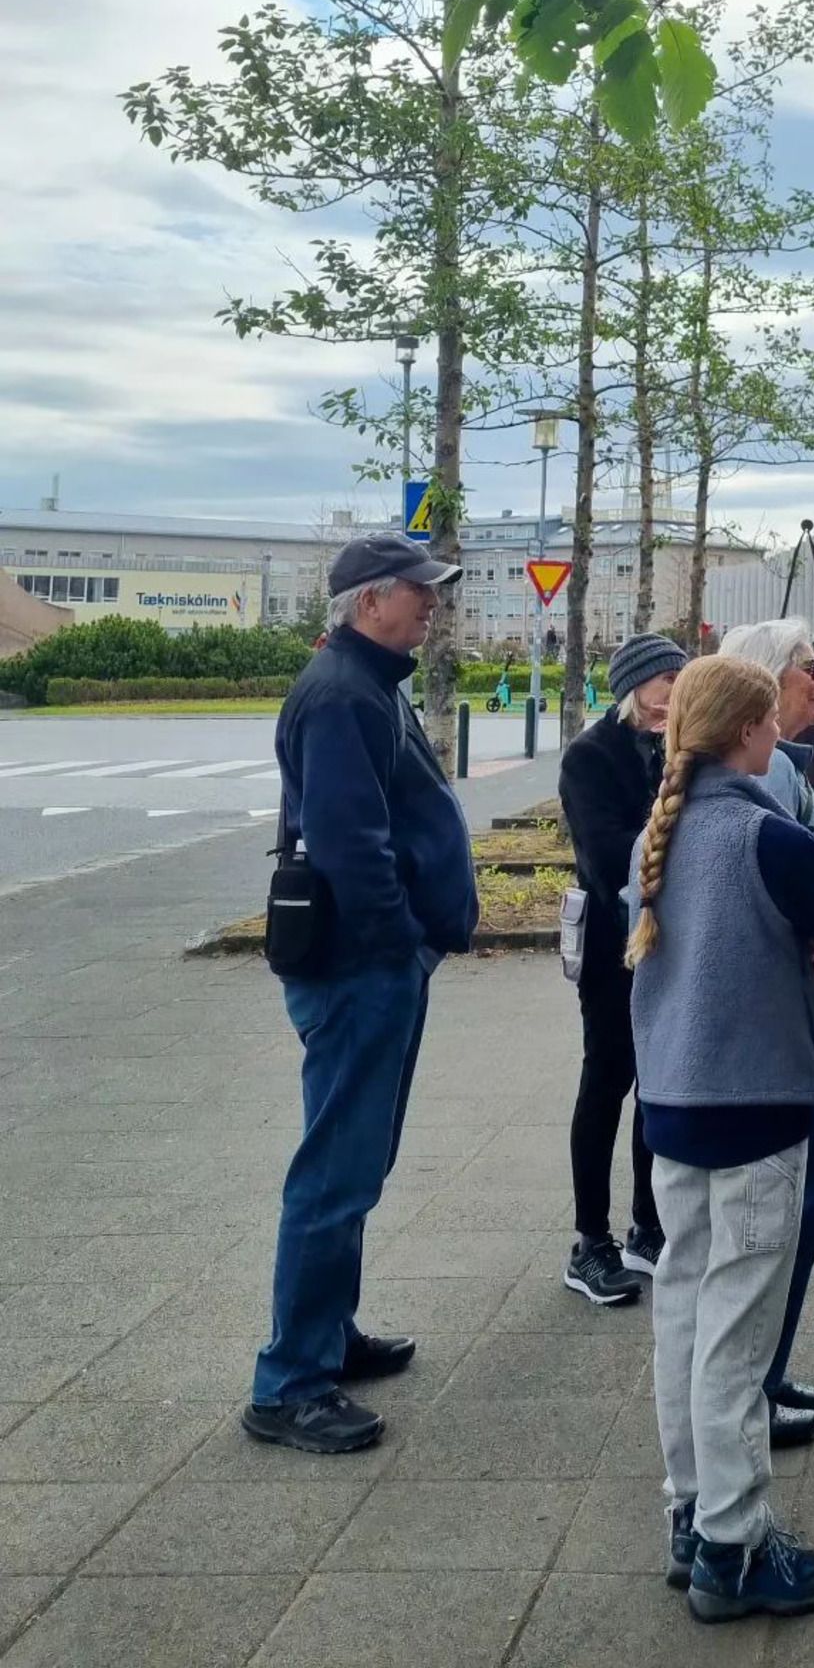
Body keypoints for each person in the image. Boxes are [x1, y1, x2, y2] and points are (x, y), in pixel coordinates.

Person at [627, 655, 814, 1623]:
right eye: (768, 721)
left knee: (684, 1310)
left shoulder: (659, 833)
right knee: (738, 1329)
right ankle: (733, 1545)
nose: (779, 736)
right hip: (759, 1102)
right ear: (743, 732)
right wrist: (811, 945)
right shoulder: (768, 835)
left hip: (673, 1101)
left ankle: (690, 1513)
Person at [242, 533, 477, 1456]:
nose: (432, 603)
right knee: (336, 1173)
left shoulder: (366, 682)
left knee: (355, 1163)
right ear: (370, 600)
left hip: (370, 965)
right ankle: (290, 1383)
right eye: (419, 590)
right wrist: (402, 944)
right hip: (359, 969)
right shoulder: (343, 694)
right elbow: (350, 845)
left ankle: (327, 1337)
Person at [718, 619, 814, 1449]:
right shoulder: (764, 775)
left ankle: (766, 1370)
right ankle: (753, 1385)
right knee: (796, 1209)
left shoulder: (783, 767)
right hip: (788, 1031)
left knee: (809, 1206)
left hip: (806, 1022)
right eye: (811, 667)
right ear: (767, 680)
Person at [556, 630, 685, 1310]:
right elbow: (606, 857)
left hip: (666, 938)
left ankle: (648, 1226)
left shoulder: (679, 748)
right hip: (612, 942)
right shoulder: (590, 756)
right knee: (607, 1079)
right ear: (637, 687)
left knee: (656, 1082)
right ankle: (590, 1241)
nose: (677, 694)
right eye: (668, 682)